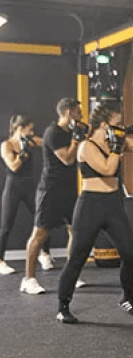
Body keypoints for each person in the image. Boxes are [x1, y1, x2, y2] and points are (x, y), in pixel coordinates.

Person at [55, 103, 133, 324]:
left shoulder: (115, 142)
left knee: (129, 254)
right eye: (117, 124)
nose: (122, 128)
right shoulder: (86, 147)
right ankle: (63, 306)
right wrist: (117, 148)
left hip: (113, 204)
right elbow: (108, 169)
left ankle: (127, 298)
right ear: (103, 124)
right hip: (90, 205)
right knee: (77, 257)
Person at [20, 97, 89, 295]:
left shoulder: (71, 131)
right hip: (50, 191)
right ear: (68, 112)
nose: (81, 115)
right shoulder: (53, 133)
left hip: (68, 190)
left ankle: (71, 275)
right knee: (39, 235)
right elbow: (67, 159)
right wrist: (76, 139)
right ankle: (28, 279)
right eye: (78, 112)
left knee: (75, 231)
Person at [0, 115, 53, 275]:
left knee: (43, 218)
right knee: (6, 225)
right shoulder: (7, 145)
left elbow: (47, 143)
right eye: (29, 130)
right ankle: (0, 261)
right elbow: (13, 166)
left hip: (29, 186)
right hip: (13, 186)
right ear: (20, 128)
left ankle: (44, 254)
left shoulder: (30, 140)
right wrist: (23, 153)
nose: (32, 132)